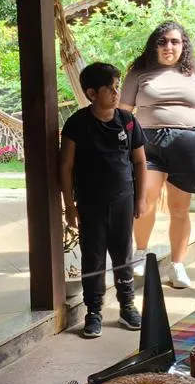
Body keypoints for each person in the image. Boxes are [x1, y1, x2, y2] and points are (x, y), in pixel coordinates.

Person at [119, 21, 195, 289]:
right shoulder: (140, 72)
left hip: (188, 144)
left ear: (183, 45)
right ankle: (140, 253)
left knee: (180, 208)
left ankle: (177, 266)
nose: (168, 46)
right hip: (148, 143)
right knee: (145, 200)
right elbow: (123, 110)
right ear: (155, 44)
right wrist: (129, 142)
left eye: (175, 41)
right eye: (163, 41)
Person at [60, 62, 148, 339]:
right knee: (93, 257)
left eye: (116, 86)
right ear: (91, 93)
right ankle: (94, 311)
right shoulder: (77, 124)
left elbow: (140, 162)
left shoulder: (128, 121)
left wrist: (141, 199)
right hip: (90, 203)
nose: (116, 91)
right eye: (109, 88)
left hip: (123, 201)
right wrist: (70, 206)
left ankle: (127, 305)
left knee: (123, 254)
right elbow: (66, 167)